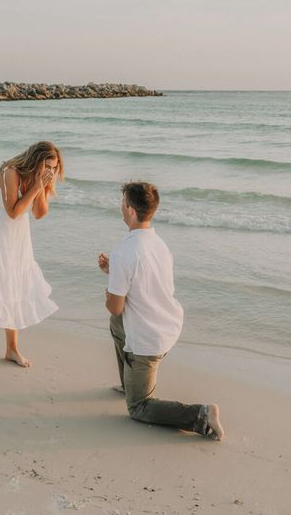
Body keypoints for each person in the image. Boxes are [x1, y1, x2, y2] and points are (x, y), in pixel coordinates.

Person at [98, 181, 224, 440]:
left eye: (123, 203)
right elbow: (145, 278)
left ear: (131, 210)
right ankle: (128, 382)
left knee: (138, 407)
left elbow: (115, 306)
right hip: (168, 324)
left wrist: (110, 291)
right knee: (117, 325)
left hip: (148, 341)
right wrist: (115, 271)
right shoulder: (158, 244)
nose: (121, 207)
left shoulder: (124, 251)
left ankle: (200, 414)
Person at [0, 141, 64, 367]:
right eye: (47, 166)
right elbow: (13, 212)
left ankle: (12, 349)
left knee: (14, 285)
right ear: (35, 161)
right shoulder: (10, 172)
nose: (50, 171)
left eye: (54, 168)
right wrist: (35, 187)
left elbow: (39, 213)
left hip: (17, 237)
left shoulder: (39, 178)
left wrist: (41, 187)